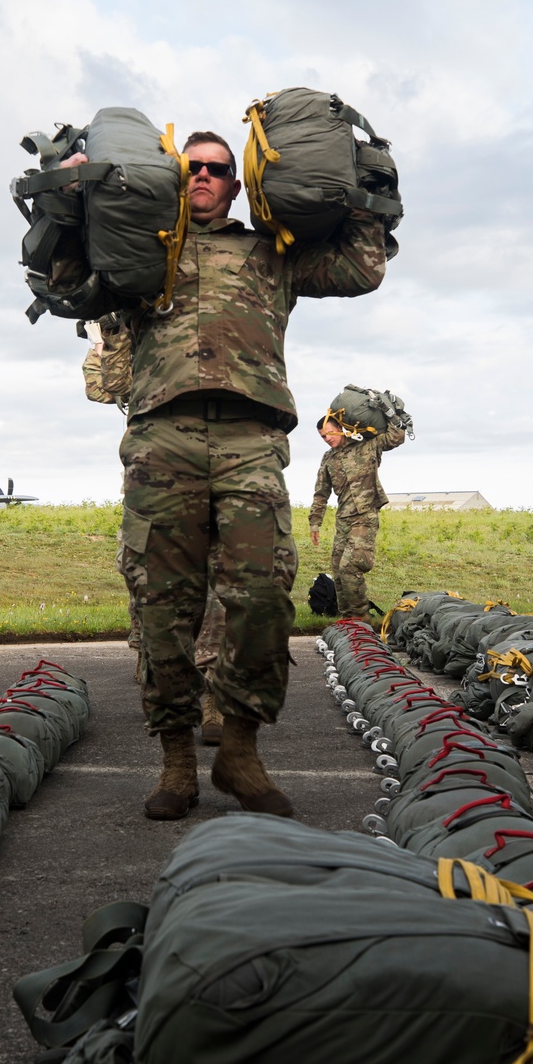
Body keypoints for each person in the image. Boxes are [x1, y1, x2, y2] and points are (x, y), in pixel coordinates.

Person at [60, 130, 391, 820]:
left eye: (216, 169)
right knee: (161, 604)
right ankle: (176, 759)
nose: (205, 177)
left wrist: (368, 183)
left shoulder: (270, 253)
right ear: (177, 180)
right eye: (193, 169)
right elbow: (69, 286)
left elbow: (362, 270)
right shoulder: (144, 252)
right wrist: (67, 201)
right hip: (162, 437)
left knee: (265, 593)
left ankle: (240, 749)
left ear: (236, 186)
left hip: (251, 436)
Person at [85, 317, 226, 739]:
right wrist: (104, 339)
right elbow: (105, 388)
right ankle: (156, 677)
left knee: (218, 588)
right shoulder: (135, 348)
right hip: (152, 482)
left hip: (210, 473)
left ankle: (214, 698)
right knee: (147, 585)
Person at [309, 413, 406, 621]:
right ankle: (347, 621)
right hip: (344, 519)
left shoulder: (366, 445)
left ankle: (362, 619)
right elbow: (321, 493)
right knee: (337, 569)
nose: (327, 439)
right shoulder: (328, 458)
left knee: (350, 566)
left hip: (365, 515)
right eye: (323, 437)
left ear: (340, 428)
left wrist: (393, 416)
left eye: (329, 433)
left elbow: (396, 438)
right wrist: (315, 523)